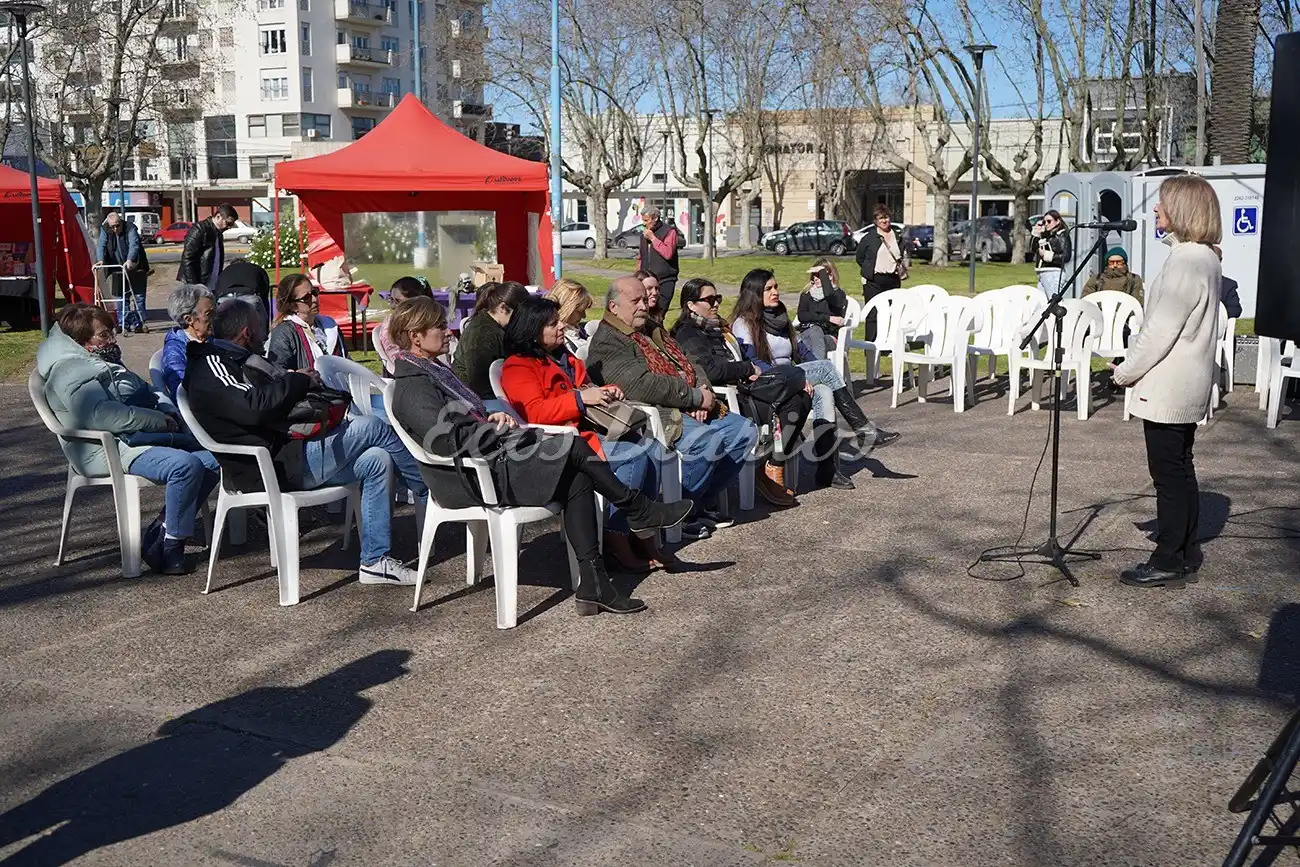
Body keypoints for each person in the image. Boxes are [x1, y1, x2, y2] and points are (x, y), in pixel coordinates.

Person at [387, 296, 692, 616]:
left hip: (489, 462)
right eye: (438, 326)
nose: (448, 331)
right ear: (415, 336)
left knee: (577, 473)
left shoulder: (432, 372)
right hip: (467, 480)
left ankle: (594, 584)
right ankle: (636, 508)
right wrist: (496, 430)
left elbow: (461, 426)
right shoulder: (413, 385)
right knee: (573, 448)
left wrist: (491, 421)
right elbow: (446, 442)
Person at [185, 300, 429, 586]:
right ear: (246, 332)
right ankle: (427, 490)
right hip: (271, 467)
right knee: (372, 427)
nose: (266, 334)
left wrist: (291, 381)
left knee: (377, 459)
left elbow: (263, 400)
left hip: (291, 453)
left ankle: (375, 562)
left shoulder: (237, 360)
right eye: (260, 326)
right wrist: (298, 382)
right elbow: (253, 406)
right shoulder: (212, 364)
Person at [36, 303, 220, 574]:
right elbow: (99, 415)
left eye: (111, 332)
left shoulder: (99, 359)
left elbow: (145, 390)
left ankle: (163, 531)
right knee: (184, 465)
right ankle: (171, 548)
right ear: (81, 341)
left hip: (133, 438)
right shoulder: (69, 370)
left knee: (214, 459)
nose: (112, 339)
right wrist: (157, 420)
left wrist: (167, 409)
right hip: (103, 447)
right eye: (104, 335)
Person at [501, 294, 674, 572]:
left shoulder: (561, 359)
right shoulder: (518, 366)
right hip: (561, 444)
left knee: (652, 450)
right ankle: (615, 537)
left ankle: (642, 535)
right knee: (634, 457)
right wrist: (582, 400)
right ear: (532, 332)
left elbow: (583, 387)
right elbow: (535, 413)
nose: (561, 327)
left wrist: (604, 392)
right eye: (552, 324)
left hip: (587, 430)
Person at [1109, 175, 1223, 589]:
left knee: (1169, 475)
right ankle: (1186, 549)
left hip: (1171, 383)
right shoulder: (1204, 256)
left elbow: (1160, 330)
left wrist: (1125, 371)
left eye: (1162, 204)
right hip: (1186, 381)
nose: (1155, 210)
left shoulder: (1187, 259)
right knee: (1180, 468)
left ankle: (1168, 558)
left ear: (1182, 210)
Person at [585, 275, 757, 540]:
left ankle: (695, 502)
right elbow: (640, 386)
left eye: (645, 298)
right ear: (613, 307)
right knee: (707, 442)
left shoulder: (652, 328)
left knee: (744, 432)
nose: (644, 305)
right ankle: (682, 510)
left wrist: (703, 390)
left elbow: (691, 362)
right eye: (636, 301)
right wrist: (693, 398)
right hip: (656, 413)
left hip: (688, 400)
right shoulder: (609, 340)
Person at [731, 269, 899, 491]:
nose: (775, 292)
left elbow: (802, 352)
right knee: (827, 368)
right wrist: (798, 378)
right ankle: (864, 430)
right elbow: (754, 363)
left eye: (776, 287)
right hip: (767, 385)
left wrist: (810, 374)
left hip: (789, 379)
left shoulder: (779, 317)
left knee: (825, 392)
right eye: (768, 289)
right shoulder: (743, 323)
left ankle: (827, 470)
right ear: (754, 294)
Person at [671, 277, 809, 507]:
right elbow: (711, 371)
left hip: (745, 387)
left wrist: (750, 369)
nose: (715, 304)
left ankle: (773, 463)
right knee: (794, 398)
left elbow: (739, 358)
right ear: (691, 305)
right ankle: (766, 468)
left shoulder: (718, 328)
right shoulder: (689, 333)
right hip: (729, 398)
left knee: (801, 394)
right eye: (709, 300)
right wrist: (747, 368)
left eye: (718, 298)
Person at [451, 280, 529, 403]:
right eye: (521, 315)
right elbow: (479, 385)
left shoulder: (499, 327)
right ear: (502, 308)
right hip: (477, 401)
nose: (524, 320)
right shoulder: (481, 335)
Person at [266, 273, 347, 372]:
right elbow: (277, 371)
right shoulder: (284, 332)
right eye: (306, 298)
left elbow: (346, 360)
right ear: (292, 306)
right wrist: (298, 376)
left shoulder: (330, 326)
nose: (314, 299)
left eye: (314, 292)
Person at [854, 204, 906, 341]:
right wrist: (868, 269)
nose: (884, 221)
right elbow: (859, 257)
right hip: (873, 281)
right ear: (876, 221)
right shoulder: (870, 237)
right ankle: (870, 345)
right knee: (873, 313)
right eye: (881, 218)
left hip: (892, 280)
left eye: (886, 217)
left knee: (890, 313)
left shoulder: (897, 235)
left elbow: (901, 254)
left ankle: (887, 343)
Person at [97, 212, 149, 334]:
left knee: (138, 296)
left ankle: (139, 323)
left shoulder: (130, 228)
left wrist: (130, 259)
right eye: (112, 226)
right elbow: (101, 246)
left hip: (136, 266)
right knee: (121, 297)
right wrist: (100, 260)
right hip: (118, 268)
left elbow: (134, 245)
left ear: (121, 222)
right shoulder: (105, 230)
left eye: (117, 225)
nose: (115, 229)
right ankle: (122, 323)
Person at [160, 283, 215, 399]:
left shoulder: (212, 339)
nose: (216, 317)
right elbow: (181, 391)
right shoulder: (175, 352)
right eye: (209, 314)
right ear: (189, 319)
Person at [374, 276, 434, 377]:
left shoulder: (425, 322)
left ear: (415, 301)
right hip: (411, 377)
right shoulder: (390, 326)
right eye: (391, 300)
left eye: (398, 301)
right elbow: (397, 360)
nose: (392, 306)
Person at [797, 258, 850, 359]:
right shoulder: (807, 294)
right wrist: (828, 318)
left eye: (819, 275)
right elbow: (802, 316)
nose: (815, 278)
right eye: (814, 275)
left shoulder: (838, 295)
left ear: (829, 276)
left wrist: (822, 271)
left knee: (815, 334)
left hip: (828, 337)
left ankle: (818, 368)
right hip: (807, 333)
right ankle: (815, 369)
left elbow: (828, 294)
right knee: (805, 339)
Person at [178, 203, 238, 290]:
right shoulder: (199, 229)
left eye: (231, 224)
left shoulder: (219, 234)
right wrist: (194, 286)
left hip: (212, 282)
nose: (229, 227)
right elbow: (188, 259)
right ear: (218, 217)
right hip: (197, 283)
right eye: (228, 223)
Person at [636, 207, 680, 315]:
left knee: (659, 313)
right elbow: (641, 256)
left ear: (655, 218)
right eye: (643, 220)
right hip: (647, 280)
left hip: (665, 280)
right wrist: (637, 274)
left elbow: (668, 253)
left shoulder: (669, 231)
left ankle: (658, 331)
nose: (644, 224)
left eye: (646, 220)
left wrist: (653, 239)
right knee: (645, 312)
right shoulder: (644, 233)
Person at [546, 277, 595, 357]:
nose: (584, 316)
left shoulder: (580, 331)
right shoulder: (557, 342)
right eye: (580, 310)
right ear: (566, 308)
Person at [214, 258, 272, 322]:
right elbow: (265, 294)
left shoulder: (225, 271)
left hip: (226, 298)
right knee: (259, 324)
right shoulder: (255, 269)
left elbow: (217, 292)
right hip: (250, 297)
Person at [1031, 209, 1072, 298]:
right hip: (1042, 273)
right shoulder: (1047, 235)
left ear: (1057, 221)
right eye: (1044, 222)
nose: (1046, 224)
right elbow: (1033, 249)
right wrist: (1036, 234)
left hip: (1053, 273)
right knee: (1042, 304)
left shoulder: (1061, 235)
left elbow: (1066, 256)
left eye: (1049, 221)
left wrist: (1047, 255)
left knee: (1053, 304)